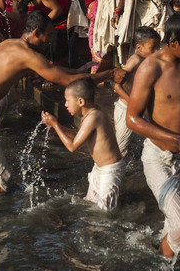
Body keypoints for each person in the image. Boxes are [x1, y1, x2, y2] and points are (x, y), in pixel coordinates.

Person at [0, 11, 102, 193]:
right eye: (48, 35)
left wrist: (78, 71)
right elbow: (65, 80)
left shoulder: (9, 43)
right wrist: (108, 74)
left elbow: (53, 70)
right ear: (36, 32)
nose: (49, 41)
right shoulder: (28, 55)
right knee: (3, 181)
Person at [125, 12, 180, 260]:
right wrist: (176, 140)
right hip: (159, 158)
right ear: (174, 41)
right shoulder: (151, 68)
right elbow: (132, 119)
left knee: (178, 225)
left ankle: (164, 263)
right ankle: (160, 267)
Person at [42, 78, 125, 211]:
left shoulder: (94, 117)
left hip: (110, 171)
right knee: (90, 205)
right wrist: (56, 127)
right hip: (99, 169)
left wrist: (56, 125)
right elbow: (78, 134)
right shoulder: (92, 112)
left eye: (68, 100)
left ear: (81, 101)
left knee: (104, 214)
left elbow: (72, 147)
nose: (65, 104)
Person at [112, 27, 161, 156]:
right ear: (138, 48)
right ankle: (113, 167)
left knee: (142, 140)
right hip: (126, 108)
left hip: (138, 107)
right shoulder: (136, 60)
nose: (157, 51)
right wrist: (132, 102)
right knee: (121, 146)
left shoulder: (149, 60)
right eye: (153, 48)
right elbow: (117, 86)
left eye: (158, 47)